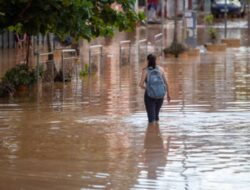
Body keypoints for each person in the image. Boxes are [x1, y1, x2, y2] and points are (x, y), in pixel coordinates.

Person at [139, 54, 170, 124]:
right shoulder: (161, 69)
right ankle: (157, 131)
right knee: (156, 116)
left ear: (147, 61)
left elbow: (140, 85)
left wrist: (148, 89)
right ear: (156, 61)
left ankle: (152, 132)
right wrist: (168, 95)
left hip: (149, 96)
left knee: (151, 118)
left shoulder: (145, 71)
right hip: (160, 95)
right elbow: (166, 83)